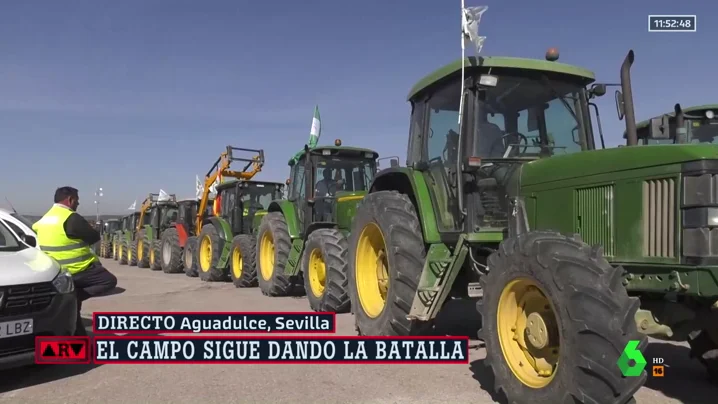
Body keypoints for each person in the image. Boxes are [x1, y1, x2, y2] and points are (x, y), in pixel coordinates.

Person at [32, 186, 118, 336]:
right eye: (77, 201)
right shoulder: (70, 217)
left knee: (75, 311)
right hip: (79, 269)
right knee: (108, 281)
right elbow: (94, 237)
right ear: (70, 200)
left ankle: (78, 338)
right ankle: (71, 297)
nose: (78, 204)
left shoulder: (43, 220)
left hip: (57, 274)